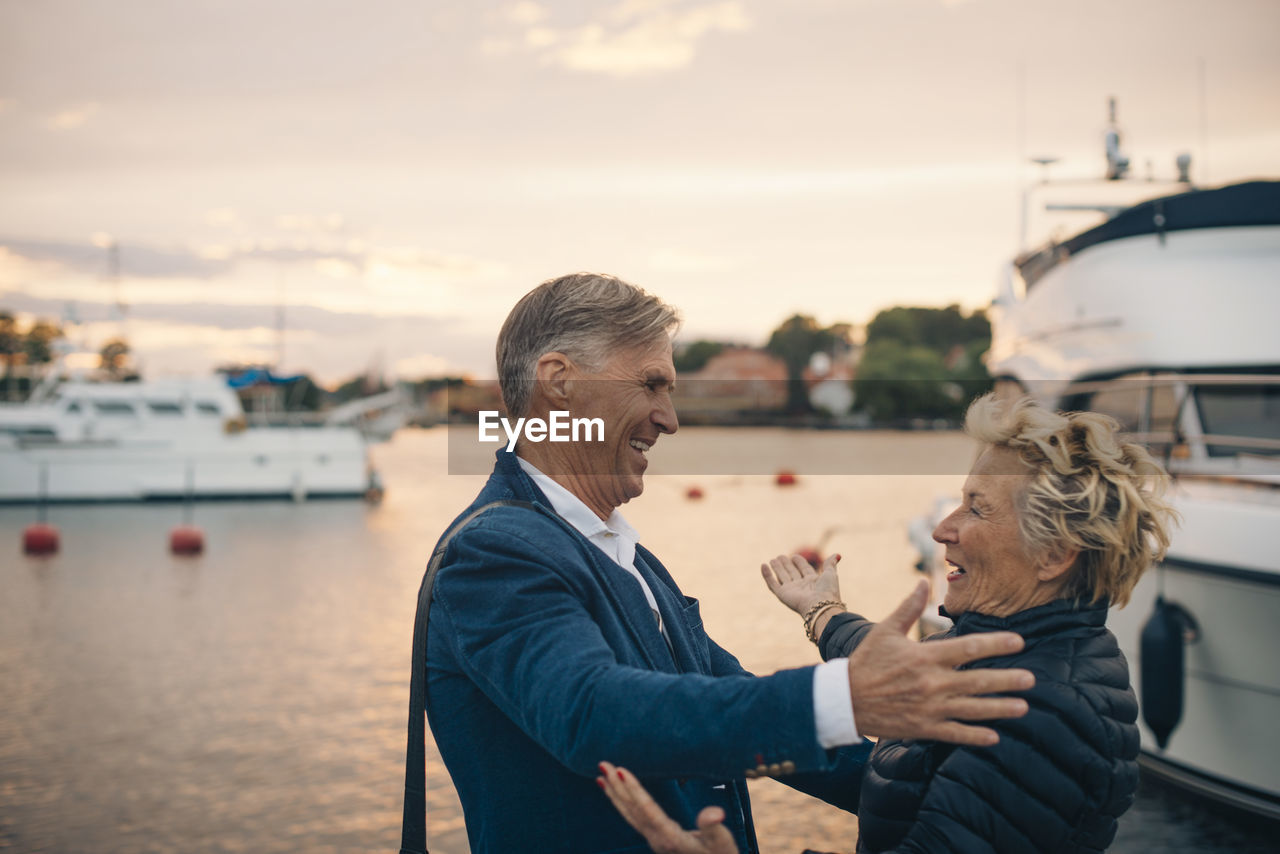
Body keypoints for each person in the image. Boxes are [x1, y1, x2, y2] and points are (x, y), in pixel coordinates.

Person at [407, 274, 1035, 854]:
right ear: (559, 380)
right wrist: (842, 696)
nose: (670, 419)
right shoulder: (492, 551)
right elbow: (591, 712)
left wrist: (945, 800)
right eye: (651, 384)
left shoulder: (625, 553)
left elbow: (724, 701)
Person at [600, 393, 1176, 854]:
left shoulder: (1037, 707)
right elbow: (903, 706)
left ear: (1054, 554)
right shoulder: (1005, 651)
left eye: (978, 507)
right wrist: (822, 614)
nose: (943, 529)